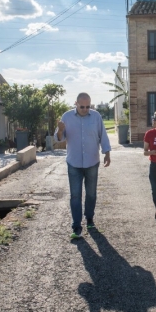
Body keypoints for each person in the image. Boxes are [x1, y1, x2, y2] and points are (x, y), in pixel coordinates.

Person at [55, 93, 111, 240]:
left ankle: (90, 220)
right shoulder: (66, 117)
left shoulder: (96, 116)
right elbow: (59, 138)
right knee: (75, 195)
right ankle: (76, 227)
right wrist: (60, 130)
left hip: (92, 161)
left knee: (91, 193)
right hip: (74, 163)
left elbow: (102, 135)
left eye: (88, 106)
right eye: (82, 106)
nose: (85, 109)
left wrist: (107, 153)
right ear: (76, 103)